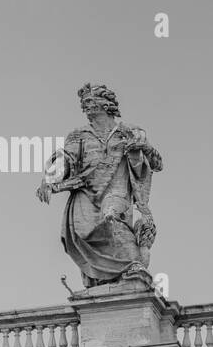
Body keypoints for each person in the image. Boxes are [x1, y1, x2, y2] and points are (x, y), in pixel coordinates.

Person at [36, 81, 161, 287]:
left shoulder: (129, 131)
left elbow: (156, 163)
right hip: (86, 190)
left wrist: (142, 147)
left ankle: (132, 264)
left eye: (90, 101)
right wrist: (50, 178)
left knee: (111, 218)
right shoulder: (80, 134)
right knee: (84, 232)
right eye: (84, 103)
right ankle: (99, 279)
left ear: (106, 104)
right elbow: (66, 159)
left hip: (116, 187)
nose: (86, 106)